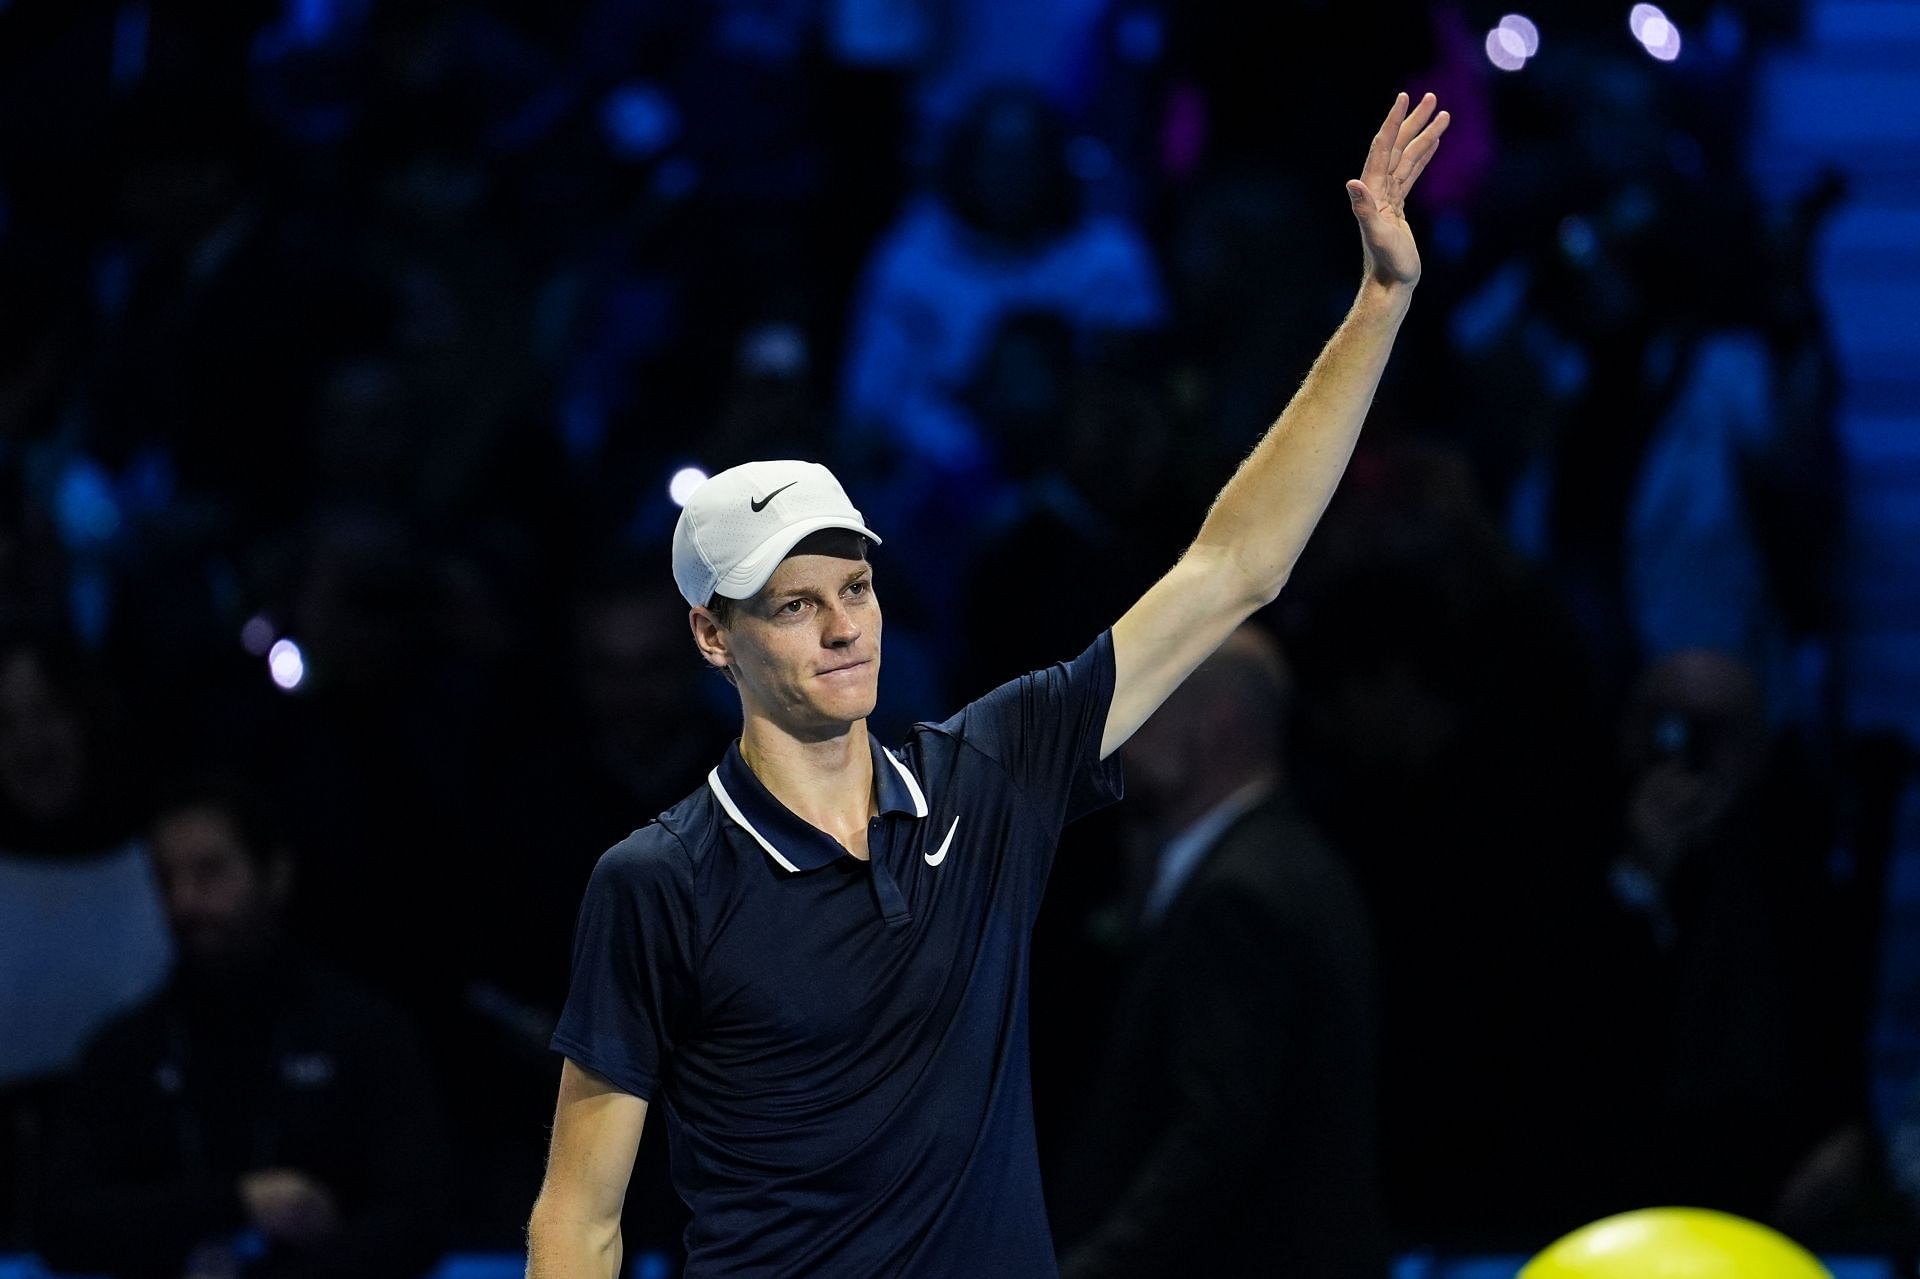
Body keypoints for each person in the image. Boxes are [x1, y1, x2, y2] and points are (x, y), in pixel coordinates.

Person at [527, 92, 1449, 1277]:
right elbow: (579, 1216)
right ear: (715, 638)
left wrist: (1379, 303)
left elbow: (1234, 569)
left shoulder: (989, 772)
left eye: (853, 588)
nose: (841, 626)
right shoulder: (657, 882)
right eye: (793, 605)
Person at [1050, 624, 1385, 1279]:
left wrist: (1095, 1266)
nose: (1118, 735)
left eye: (1146, 704)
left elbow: (1217, 1135)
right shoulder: (1298, 863)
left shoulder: (1238, 895)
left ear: (1216, 718)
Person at [34, 782, 450, 1279]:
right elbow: (62, 1225)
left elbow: (421, 1221)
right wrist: (233, 1202)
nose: (184, 901)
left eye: (209, 872)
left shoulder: (362, 1033)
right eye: (167, 879)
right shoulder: (127, 1050)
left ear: (273, 875)